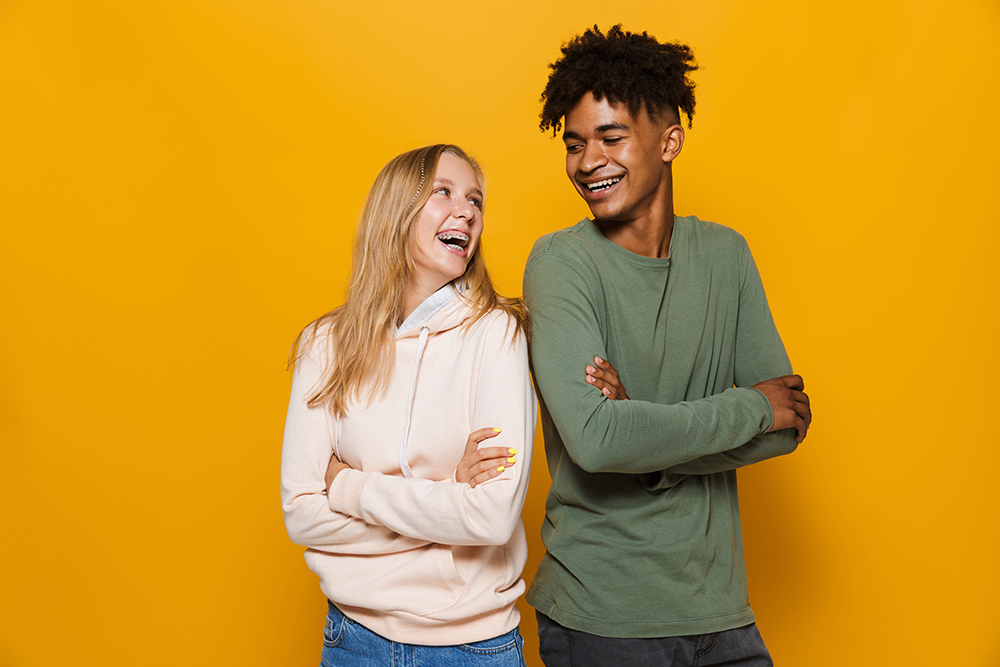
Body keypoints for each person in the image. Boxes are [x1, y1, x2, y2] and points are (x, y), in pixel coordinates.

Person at [523, 26, 812, 666]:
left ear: (670, 141)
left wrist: (648, 443)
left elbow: (789, 422)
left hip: (723, 614)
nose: (588, 161)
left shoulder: (726, 254)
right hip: (604, 615)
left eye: (610, 137)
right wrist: (747, 408)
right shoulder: (560, 263)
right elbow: (598, 441)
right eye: (574, 145)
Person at [281, 144, 536, 666]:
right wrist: (448, 501)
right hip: (353, 642)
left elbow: (490, 519)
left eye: (475, 200)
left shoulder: (496, 334)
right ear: (396, 211)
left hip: (472, 648)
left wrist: (345, 485)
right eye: (443, 192)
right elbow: (302, 516)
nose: (465, 211)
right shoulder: (324, 344)